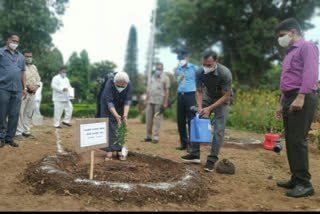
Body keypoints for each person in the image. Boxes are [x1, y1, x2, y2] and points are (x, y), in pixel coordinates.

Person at [274, 18, 319, 198]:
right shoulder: (289, 54)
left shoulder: (307, 47)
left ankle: (304, 183)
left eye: (282, 36)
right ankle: (296, 177)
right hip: (290, 97)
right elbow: (287, 81)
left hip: (303, 96)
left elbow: (311, 73)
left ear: (293, 32)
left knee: (298, 139)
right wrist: (280, 103)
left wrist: (301, 97)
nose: (280, 40)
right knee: (291, 140)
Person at [181, 51, 232, 173]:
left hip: (222, 98)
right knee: (195, 119)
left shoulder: (225, 73)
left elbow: (226, 96)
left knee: (219, 128)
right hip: (207, 96)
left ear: (216, 62)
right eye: (204, 64)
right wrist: (200, 107)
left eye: (209, 65)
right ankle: (194, 154)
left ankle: (212, 159)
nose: (206, 67)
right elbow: (198, 91)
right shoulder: (199, 72)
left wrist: (209, 109)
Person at [0, 33, 26, 148]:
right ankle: (1, 137)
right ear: (8, 40)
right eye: (13, 40)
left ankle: (9, 137)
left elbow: (23, 72)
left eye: (17, 41)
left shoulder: (20, 56)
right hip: (3, 88)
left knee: (14, 114)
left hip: (17, 89)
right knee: (2, 113)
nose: (15, 43)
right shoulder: (1, 52)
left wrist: (24, 87)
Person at [99, 71, 132, 161]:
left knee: (120, 126)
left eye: (123, 86)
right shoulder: (109, 83)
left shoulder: (129, 84)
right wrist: (116, 115)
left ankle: (118, 150)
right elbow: (109, 102)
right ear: (114, 82)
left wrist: (125, 115)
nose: (121, 88)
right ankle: (109, 150)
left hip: (120, 103)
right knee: (109, 125)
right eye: (118, 86)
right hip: (107, 105)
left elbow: (127, 101)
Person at [175, 49, 198, 151]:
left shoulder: (194, 68)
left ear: (187, 58)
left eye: (182, 58)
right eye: (179, 58)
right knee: (180, 120)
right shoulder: (178, 69)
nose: (181, 60)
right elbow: (177, 82)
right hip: (180, 96)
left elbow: (200, 82)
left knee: (191, 120)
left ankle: (191, 144)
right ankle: (183, 143)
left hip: (191, 96)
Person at [141, 62, 170, 144]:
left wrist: (165, 103)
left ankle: (156, 137)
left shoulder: (166, 78)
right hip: (150, 101)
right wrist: (146, 100)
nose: (158, 70)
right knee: (148, 119)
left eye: (159, 69)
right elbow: (148, 89)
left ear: (162, 69)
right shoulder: (152, 77)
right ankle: (148, 136)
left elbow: (167, 91)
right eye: (157, 69)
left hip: (159, 102)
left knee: (158, 120)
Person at [15, 50, 41, 140]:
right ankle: (18, 132)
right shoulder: (19, 66)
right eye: (26, 56)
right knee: (20, 112)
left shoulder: (34, 67)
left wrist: (36, 87)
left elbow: (38, 79)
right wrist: (27, 86)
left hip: (33, 93)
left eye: (30, 56)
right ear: (22, 57)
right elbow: (19, 78)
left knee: (28, 113)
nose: (28, 58)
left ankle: (26, 131)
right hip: (23, 92)